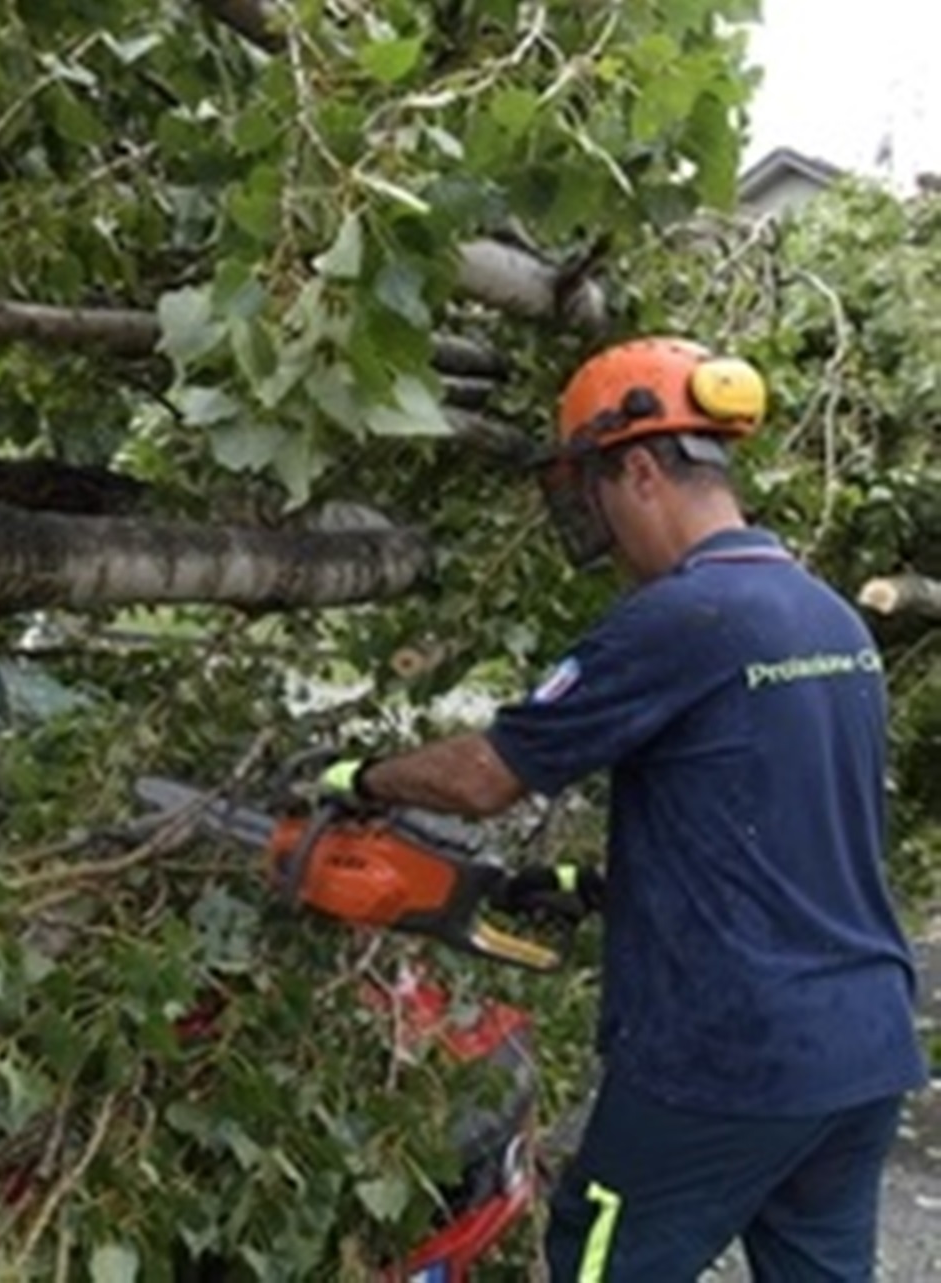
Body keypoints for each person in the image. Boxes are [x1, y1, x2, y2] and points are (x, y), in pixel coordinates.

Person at [321, 337, 927, 1282]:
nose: (598, 533)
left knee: (596, 1257)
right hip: (861, 1042)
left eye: (596, 496)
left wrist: (358, 777)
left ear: (639, 469)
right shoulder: (827, 618)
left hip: (729, 1054)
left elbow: (486, 776)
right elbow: (779, 823)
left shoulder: (685, 616)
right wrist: (605, 886)